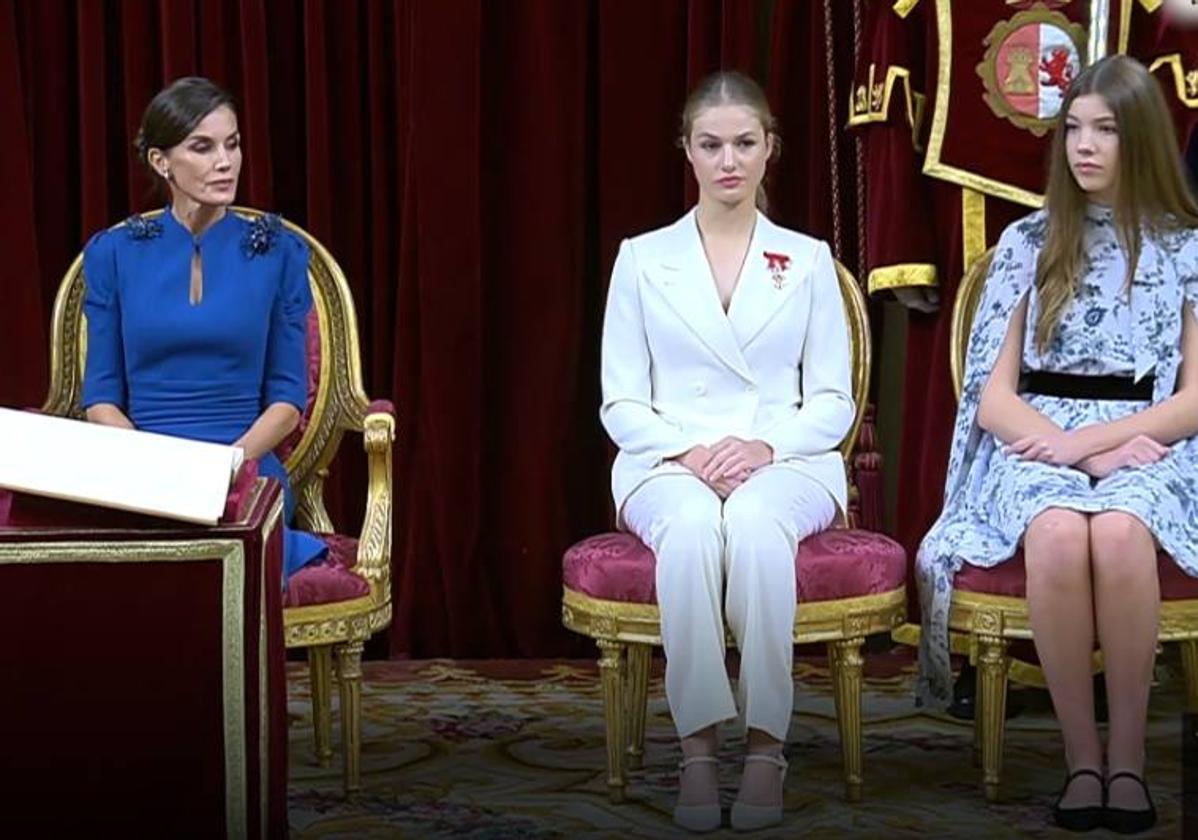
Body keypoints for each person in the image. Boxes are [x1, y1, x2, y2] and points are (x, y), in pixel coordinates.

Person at [916, 55, 1198, 834]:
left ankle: (1130, 760)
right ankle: (1082, 760)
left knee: (1116, 532)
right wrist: (1081, 451)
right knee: (1053, 531)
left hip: (1148, 442)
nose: (1084, 146)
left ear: (1139, 138)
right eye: (1073, 129)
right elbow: (993, 397)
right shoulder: (1027, 242)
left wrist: (1108, 446)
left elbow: (1194, 400)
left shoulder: (1184, 247)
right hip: (1037, 442)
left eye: (1105, 130)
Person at [599, 70, 854, 833]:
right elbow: (620, 401)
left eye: (744, 143)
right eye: (711, 145)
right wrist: (691, 451)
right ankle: (700, 750)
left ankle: (768, 748)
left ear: (771, 148)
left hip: (787, 462)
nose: (728, 161)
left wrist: (764, 445)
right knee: (688, 531)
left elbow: (835, 403)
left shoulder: (807, 261)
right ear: (687, 151)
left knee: (752, 527)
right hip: (666, 461)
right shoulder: (642, 259)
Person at [80, 76, 327, 580]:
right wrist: (160, 470)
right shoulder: (112, 254)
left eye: (232, 144)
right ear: (160, 162)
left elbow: (287, 400)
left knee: (233, 545)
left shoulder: (279, 252)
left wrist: (223, 468)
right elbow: (100, 398)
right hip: (142, 471)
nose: (225, 161)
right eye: (203, 147)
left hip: (244, 470)